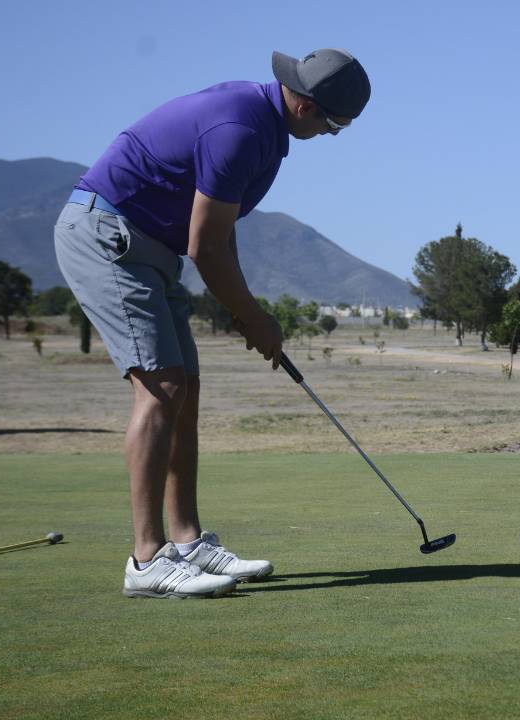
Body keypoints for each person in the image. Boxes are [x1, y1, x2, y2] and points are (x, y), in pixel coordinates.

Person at [54, 48, 371, 597]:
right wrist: (254, 316)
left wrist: (246, 314)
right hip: (108, 237)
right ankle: (146, 560)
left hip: (152, 248)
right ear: (305, 104)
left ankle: (187, 543)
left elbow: (221, 234)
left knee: (187, 389)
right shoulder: (241, 130)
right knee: (162, 387)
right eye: (334, 125)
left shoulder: (267, 131)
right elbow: (205, 248)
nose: (331, 135)